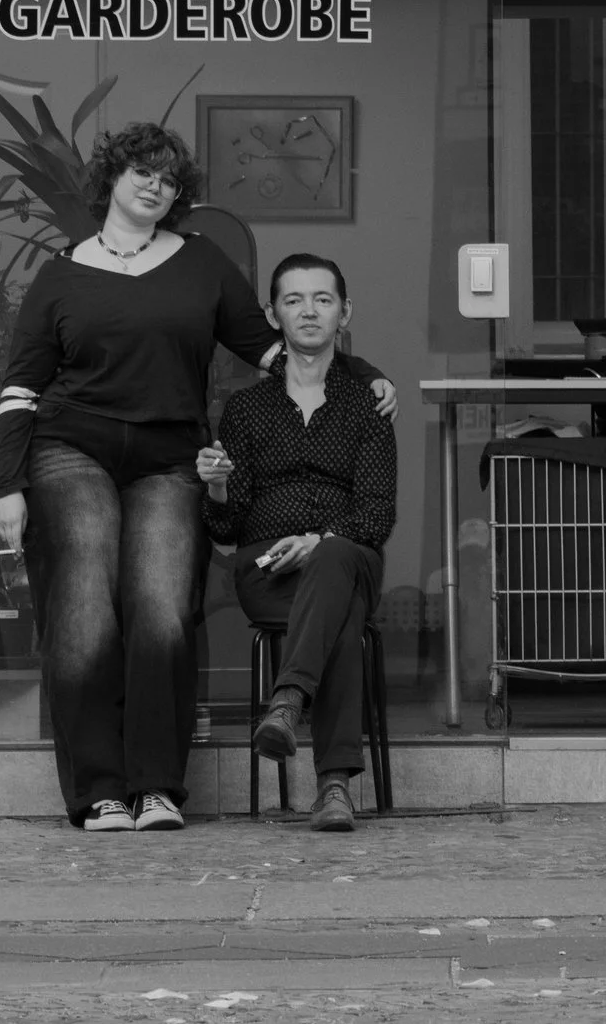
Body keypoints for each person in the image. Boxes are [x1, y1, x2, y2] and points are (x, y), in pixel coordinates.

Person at [0, 122, 397, 833]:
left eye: (170, 178)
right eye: (143, 171)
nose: (156, 184)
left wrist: (365, 376)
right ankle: (98, 791)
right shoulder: (60, 272)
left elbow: (279, 347)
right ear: (111, 178)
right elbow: (21, 388)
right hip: (70, 447)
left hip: (169, 452)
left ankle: (155, 787)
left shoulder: (202, 263)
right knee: (84, 609)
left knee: (162, 612)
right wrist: (6, 486)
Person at [200, 254, 395, 834]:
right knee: (338, 615)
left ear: (344, 312)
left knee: (334, 562)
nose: (309, 311)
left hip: (349, 555)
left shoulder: (369, 406)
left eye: (322, 299)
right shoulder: (244, 409)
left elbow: (377, 515)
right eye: (294, 300)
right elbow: (226, 529)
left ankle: (286, 703)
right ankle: (333, 789)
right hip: (267, 570)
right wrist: (215, 488)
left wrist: (320, 540)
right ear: (273, 314)